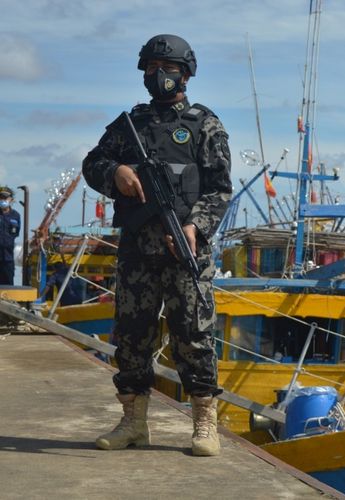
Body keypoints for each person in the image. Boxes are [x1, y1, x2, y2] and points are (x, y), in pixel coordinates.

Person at [82, 34, 232, 456]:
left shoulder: (205, 125)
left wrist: (195, 228)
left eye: (165, 69)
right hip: (137, 252)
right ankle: (133, 422)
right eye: (150, 69)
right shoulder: (132, 124)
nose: (157, 76)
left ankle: (204, 422)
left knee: (194, 336)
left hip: (185, 252)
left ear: (184, 74)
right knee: (132, 337)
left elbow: (220, 190)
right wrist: (116, 173)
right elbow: (92, 163)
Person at [0, 186, 21, 285]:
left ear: (11, 199)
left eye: (5, 198)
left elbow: (16, 234)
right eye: (1, 197)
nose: (3, 200)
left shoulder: (16, 215)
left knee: (8, 285)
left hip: (8, 258)